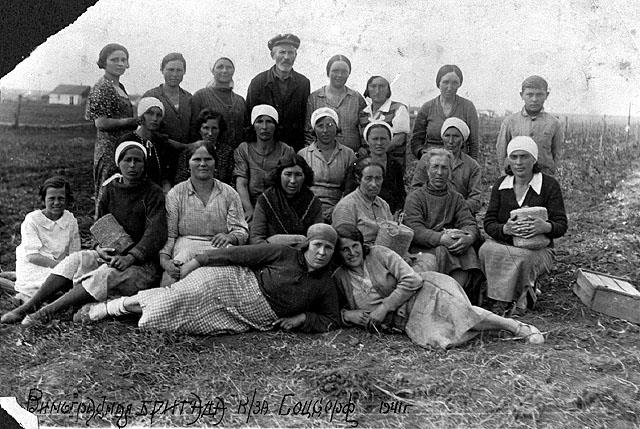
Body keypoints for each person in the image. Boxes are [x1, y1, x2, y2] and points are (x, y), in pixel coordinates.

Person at [1, 141, 167, 325]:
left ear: (145, 164)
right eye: (128, 160)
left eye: (138, 161)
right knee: (76, 259)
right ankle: (28, 306)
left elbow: (155, 234)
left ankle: (46, 312)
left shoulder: (154, 193)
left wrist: (131, 257)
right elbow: (100, 225)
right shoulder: (110, 190)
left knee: (104, 275)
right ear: (118, 163)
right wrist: (98, 248)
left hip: (142, 265)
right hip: (113, 255)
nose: (133, 165)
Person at [76, 224, 341, 335]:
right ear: (306, 245)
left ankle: (128, 307)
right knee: (175, 299)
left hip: (250, 317)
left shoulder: (325, 283)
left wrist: (303, 319)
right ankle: (108, 308)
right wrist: (199, 260)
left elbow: (331, 319)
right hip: (230, 282)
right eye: (317, 245)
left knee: (179, 322)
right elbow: (238, 254)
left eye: (328, 248)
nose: (321, 253)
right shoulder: (284, 253)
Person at [333, 225, 545, 348]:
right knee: (447, 339)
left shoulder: (379, 253)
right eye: (345, 250)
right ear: (338, 253)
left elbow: (412, 280)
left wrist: (384, 307)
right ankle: (499, 329)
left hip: (426, 291)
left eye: (355, 246)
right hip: (406, 319)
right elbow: (332, 309)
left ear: (362, 245)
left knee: (462, 313)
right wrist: (348, 315)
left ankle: (515, 327)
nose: (352, 253)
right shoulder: (340, 277)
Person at [480, 136, 568, 315]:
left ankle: (518, 299)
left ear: (534, 159)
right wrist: (505, 229)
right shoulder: (501, 185)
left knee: (523, 258)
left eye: (524, 157)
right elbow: (489, 222)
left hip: (538, 249)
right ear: (508, 160)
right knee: (486, 250)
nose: (519, 163)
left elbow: (561, 224)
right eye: (514, 157)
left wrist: (545, 227)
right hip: (506, 244)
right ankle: (498, 297)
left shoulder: (548, 185)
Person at [160, 140, 248, 286]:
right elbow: (170, 235)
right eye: (197, 159)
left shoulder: (229, 193)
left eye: (208, 159)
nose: (202, 164)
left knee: (235, 280)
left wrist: (230, 237)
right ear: (188, 164)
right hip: (187, 247)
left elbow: (241, 230)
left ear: (215, 163)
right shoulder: (175, 194)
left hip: (219, 249)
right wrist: (165, 261)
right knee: (172, 280)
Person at [404, 148, 482, 298]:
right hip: (424, 248)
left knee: (468, 250)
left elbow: (468, 222)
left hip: (452, 246)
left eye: (444, 168)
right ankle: (442, 297)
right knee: (442, 252)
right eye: (435, 167)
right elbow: (415, 228)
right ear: (427, 170)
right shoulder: (415, 198)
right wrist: (440, 238)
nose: (439, 173)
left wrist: (468, 237)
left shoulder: (456, 198)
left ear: (450, 172)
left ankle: (458, 297)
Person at [1, 177, 80, 306]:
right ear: (44, 199)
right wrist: (61, 268)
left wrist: (70, 267)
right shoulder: (32, 220)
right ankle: (16, 285)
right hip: (35, 263)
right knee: (45, 290)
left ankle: (14, 275)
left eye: (61, 198)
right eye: (51, 199)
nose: (56, 203)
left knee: (73, 283)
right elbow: (33, 256)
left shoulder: (70, 220)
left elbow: (75, 252)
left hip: (59, 265)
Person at [85, 43, 138, 211]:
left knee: (120, 193)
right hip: (109, 149)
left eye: (124, 60)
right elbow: (100, 123)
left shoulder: (119, 86)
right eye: (115, 59)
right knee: (107, 192)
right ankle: (101, 235)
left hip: (121, 147)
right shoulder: (103, 86)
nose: (120, 63)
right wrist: (130, 122)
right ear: (104, 62)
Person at [246, 34, 310, 151]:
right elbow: (249, 118)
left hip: (293, 147)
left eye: (290, 53)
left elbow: (304, 118)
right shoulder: (258, 82)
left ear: (295, 56)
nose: (286, 57)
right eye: (282, 52)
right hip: (265, 148)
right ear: (272, 55)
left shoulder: (303, 83)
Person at [234, 105, 295, 220]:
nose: (264, 127)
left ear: (276, 126)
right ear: (253, 125)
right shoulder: (244, 149)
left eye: (269, 122)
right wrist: (249, 210)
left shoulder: (286, 150)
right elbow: (241, 182)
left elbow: (287, 185)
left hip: (278, 206)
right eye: (259, 121)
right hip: (250, 205)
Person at [411, 117, 482, 214]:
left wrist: (454, 209)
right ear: (442, 137)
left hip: (459, 215)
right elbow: (416, 188)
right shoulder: (427, 159)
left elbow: (476, 199)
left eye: (456, 136)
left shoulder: (472, 166)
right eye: (447, 136)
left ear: (463, 140)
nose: (451, 141)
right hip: (429, 212)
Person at [496, 75, 563, 175]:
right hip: (516, 176)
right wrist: (504, 173)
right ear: (522, 95)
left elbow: (556, 153)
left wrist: (552, 175)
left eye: (539, 94)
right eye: (530, 94)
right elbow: (501, 150)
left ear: (547, 95)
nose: (534, 99)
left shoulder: (554, 123)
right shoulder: (510, 122)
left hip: (544, 175)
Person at [250, 154, 323, 246]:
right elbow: (256, 238)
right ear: (279, 175)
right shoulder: (266, 200)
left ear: (305, 177)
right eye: (288, 174)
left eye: (298, 175)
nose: (293, 180)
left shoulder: (313, 203)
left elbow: (318, 238)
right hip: (272, 254)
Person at [410, 65, 479, 160]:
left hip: (459, 163)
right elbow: (416, 141)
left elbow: (473, 143)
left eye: (454, 83)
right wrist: (423, 155)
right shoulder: (427, 107)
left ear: (460, 84)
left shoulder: (468, 107)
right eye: (445, 82)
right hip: (432, 162)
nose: (449, 87)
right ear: (438, 83)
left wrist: (471, 168)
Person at [298, 107, 356, 222]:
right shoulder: (303, 154)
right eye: (320, 126)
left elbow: (350, 189)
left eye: (330, 125)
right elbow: (300, 189)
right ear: (314, 130)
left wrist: (337, 209)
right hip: (308, 208)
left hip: (341, 208)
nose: (325, 130)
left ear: (337, 127)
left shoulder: (348, 154)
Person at [305, 55, 367, 154]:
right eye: (335, 71)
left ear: (349, 73)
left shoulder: (356, 98)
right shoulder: (315, 98)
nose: (339, 75)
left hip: (353, 155)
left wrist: (363, 148)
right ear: (328, 72)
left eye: (344, 72)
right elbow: (308, 131)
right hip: (323, 155)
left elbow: (364, 126)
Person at [344, 121, 406, 213]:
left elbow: (400, 195)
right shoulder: (357, 165)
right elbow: (349, 194)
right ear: (367, 141)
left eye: (383, 139)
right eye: (375, 139)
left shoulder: (395, 165)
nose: (379, 143)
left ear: (390, 140)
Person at [119, 97, 176, 194]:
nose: (155, 119)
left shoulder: (161, 142)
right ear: (142, 115)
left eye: (158, 115)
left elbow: (166, 177)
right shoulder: (127, 140)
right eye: (150, 113)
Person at [189, 57, 246, 152]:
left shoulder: (240, 100)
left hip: (238, 155)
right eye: (220, 67)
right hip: (209, 155)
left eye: (229, 67)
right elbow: (193, 130)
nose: (224, 70)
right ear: (212, 70)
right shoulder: (200, 96)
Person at [332, 157, 393, 245]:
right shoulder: (346, 206)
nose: (374, 184)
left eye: (378, 178)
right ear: (358, 179)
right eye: (368, 178)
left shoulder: (383, 205)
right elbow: (344, 243)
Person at [359, 75, 411, 171]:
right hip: (368, 167)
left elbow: (400, 138)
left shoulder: (398, 108)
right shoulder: (363, 114)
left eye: (382, 86)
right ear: (367, 90)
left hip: (392, 166)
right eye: (373, 86)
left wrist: (375, 153)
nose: (377, 91)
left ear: (388, 90)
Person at [142, 52, 192, 144]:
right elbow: (145, 130)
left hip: (185, 153)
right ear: (162, 70)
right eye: (170, 70)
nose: (175, 74)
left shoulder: (189, 98)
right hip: (158, 151)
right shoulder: (151, 96)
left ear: (184, 72)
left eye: (179, 70)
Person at [175, 109, 234, 185]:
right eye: (206, 128)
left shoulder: (227, 152)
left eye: (214, 128)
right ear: (199, 130)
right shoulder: (188, 152)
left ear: (220, 130)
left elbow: (231, 181)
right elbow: (180, 180)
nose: (210, 133)